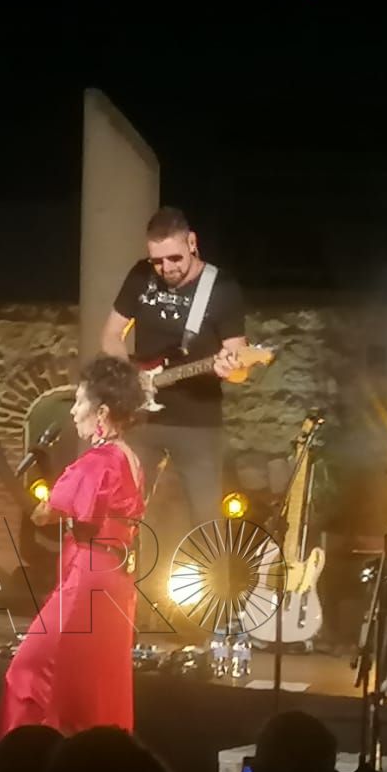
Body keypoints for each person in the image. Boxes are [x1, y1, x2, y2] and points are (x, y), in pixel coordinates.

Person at [0, 355, 147, 738]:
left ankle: (24, 759)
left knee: (29, 670)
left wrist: (1, 470)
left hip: (89, 581)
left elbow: (41, 515)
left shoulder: (98, 462)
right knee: (91, 684)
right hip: (113, 581)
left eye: (79, 402)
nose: (74, 412)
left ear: (102, 412)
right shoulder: (128, 458)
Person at [100, 207, 246, 555]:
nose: (166, 268)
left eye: (174, 258)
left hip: (198, 423)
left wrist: (233, 369)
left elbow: (239, 362)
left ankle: (217, 606)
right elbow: (110, 336)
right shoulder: (140, 275)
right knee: (123, 515)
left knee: (207, 522)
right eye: (157, 261)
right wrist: (130, 380)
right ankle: (122, 600)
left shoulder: (222, 288)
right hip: (142, 418)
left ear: (192, 242)